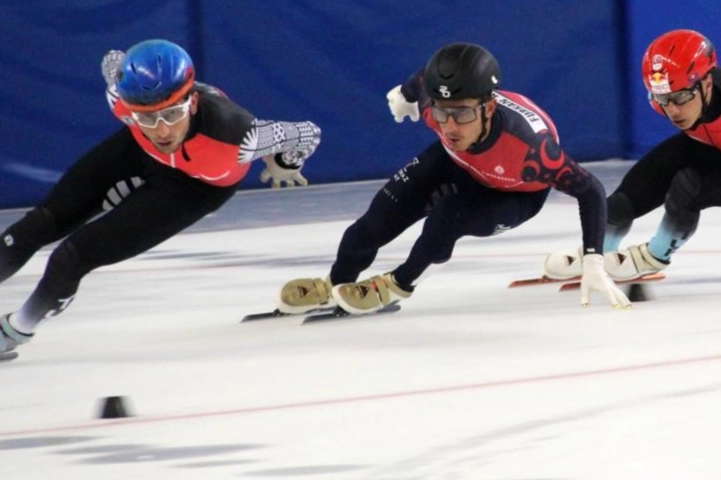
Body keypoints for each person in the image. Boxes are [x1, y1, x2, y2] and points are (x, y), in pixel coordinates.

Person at [0, 39, 321, 354]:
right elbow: (112, 59)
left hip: (194, 188)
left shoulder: (241, 135)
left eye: (172, 114)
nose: (162, 130)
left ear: (192, 102)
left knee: (71, 257)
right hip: (139, 153)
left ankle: (14, 330)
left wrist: (284, 164)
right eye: (147, 117)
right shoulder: (121, 96)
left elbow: (308, 132)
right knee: (41, 223)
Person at [275, 42, 629, 317]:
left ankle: (397, 285)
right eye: (442, 112)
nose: (449, 126)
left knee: (446, 218)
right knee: (375, 220)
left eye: (461, 114)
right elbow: (422, 80)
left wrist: (593, 259)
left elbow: (590, 190)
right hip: (459, 163)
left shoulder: (532, 150)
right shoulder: (435, 105)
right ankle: (335, 282)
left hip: (514, 192)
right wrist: (405, 95)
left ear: (489, 108)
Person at [544, 29, 719, 281]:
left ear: (708, 84)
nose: (672, 111)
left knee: (688, 187)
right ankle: (598, 251)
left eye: (680, 97)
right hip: (708, 144)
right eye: (662, 98)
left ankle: (654, 256)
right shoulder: (671, 100)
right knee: (633, 190)